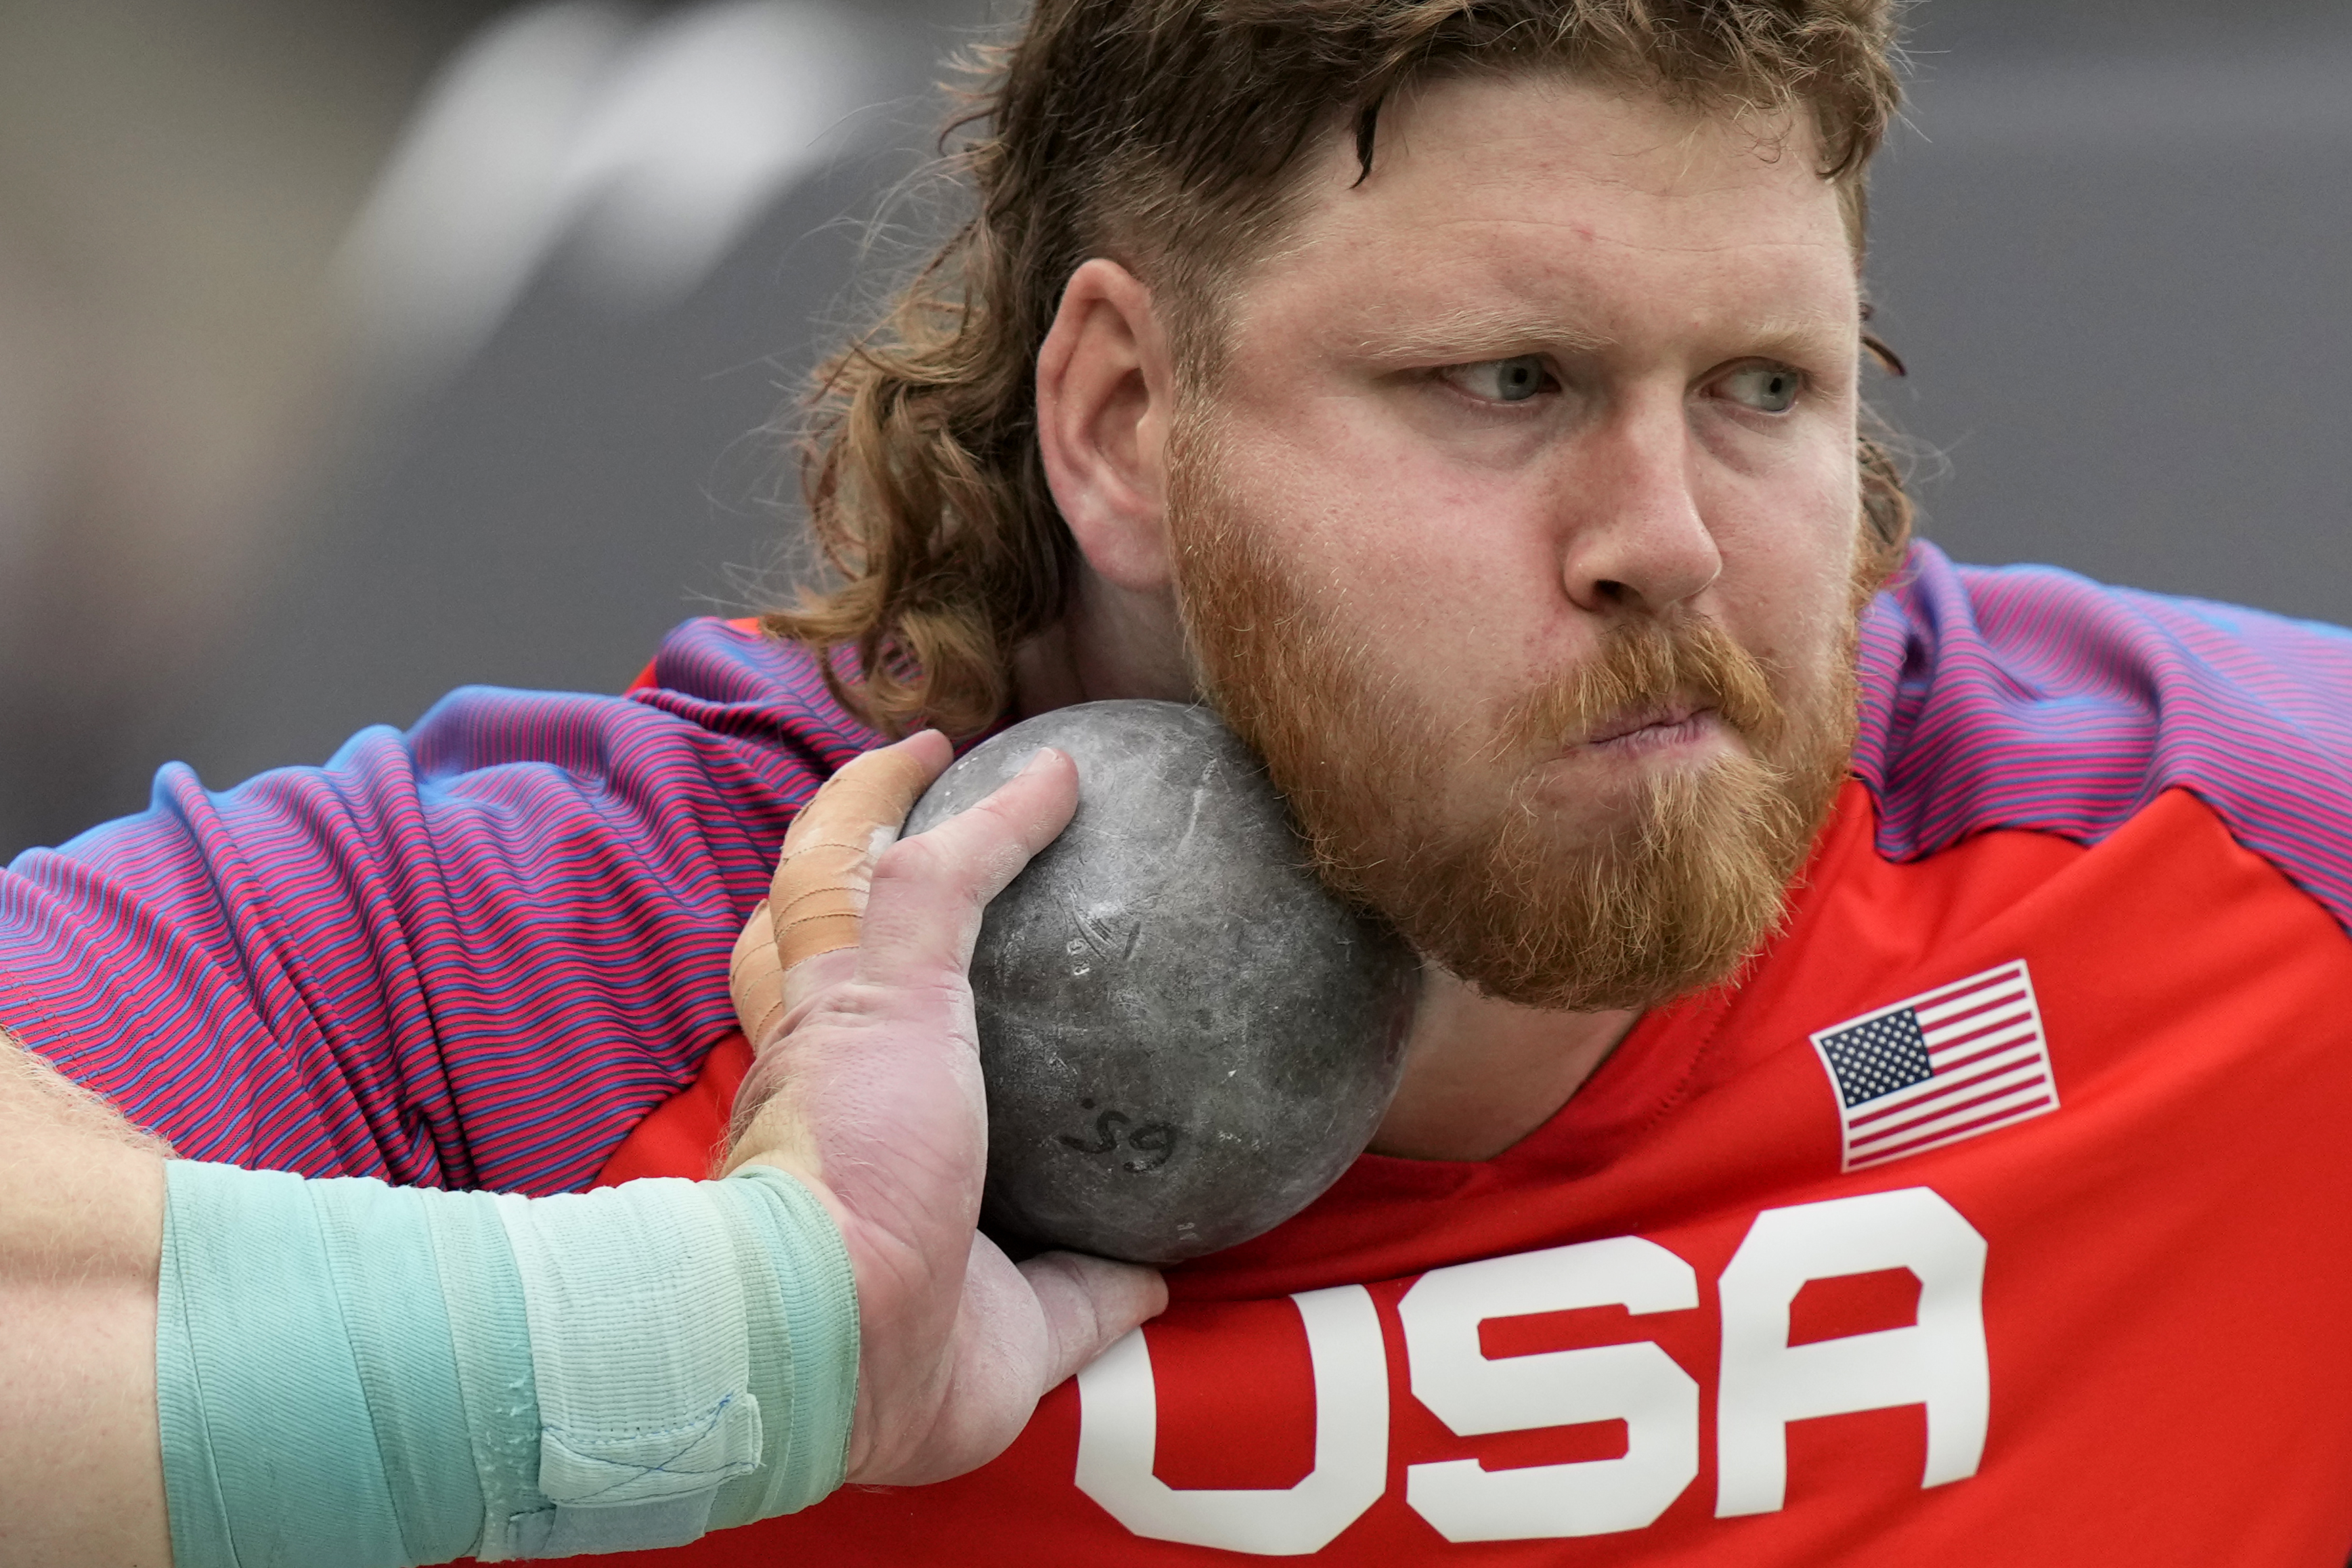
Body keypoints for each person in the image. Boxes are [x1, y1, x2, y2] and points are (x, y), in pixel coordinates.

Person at [10, 0, 2352, 1564]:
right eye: (1506, 382)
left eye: (1761, 387)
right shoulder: (625, 960)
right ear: (1123, 420)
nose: (1666, 539)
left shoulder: (2223, 857)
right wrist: (711, 1337)